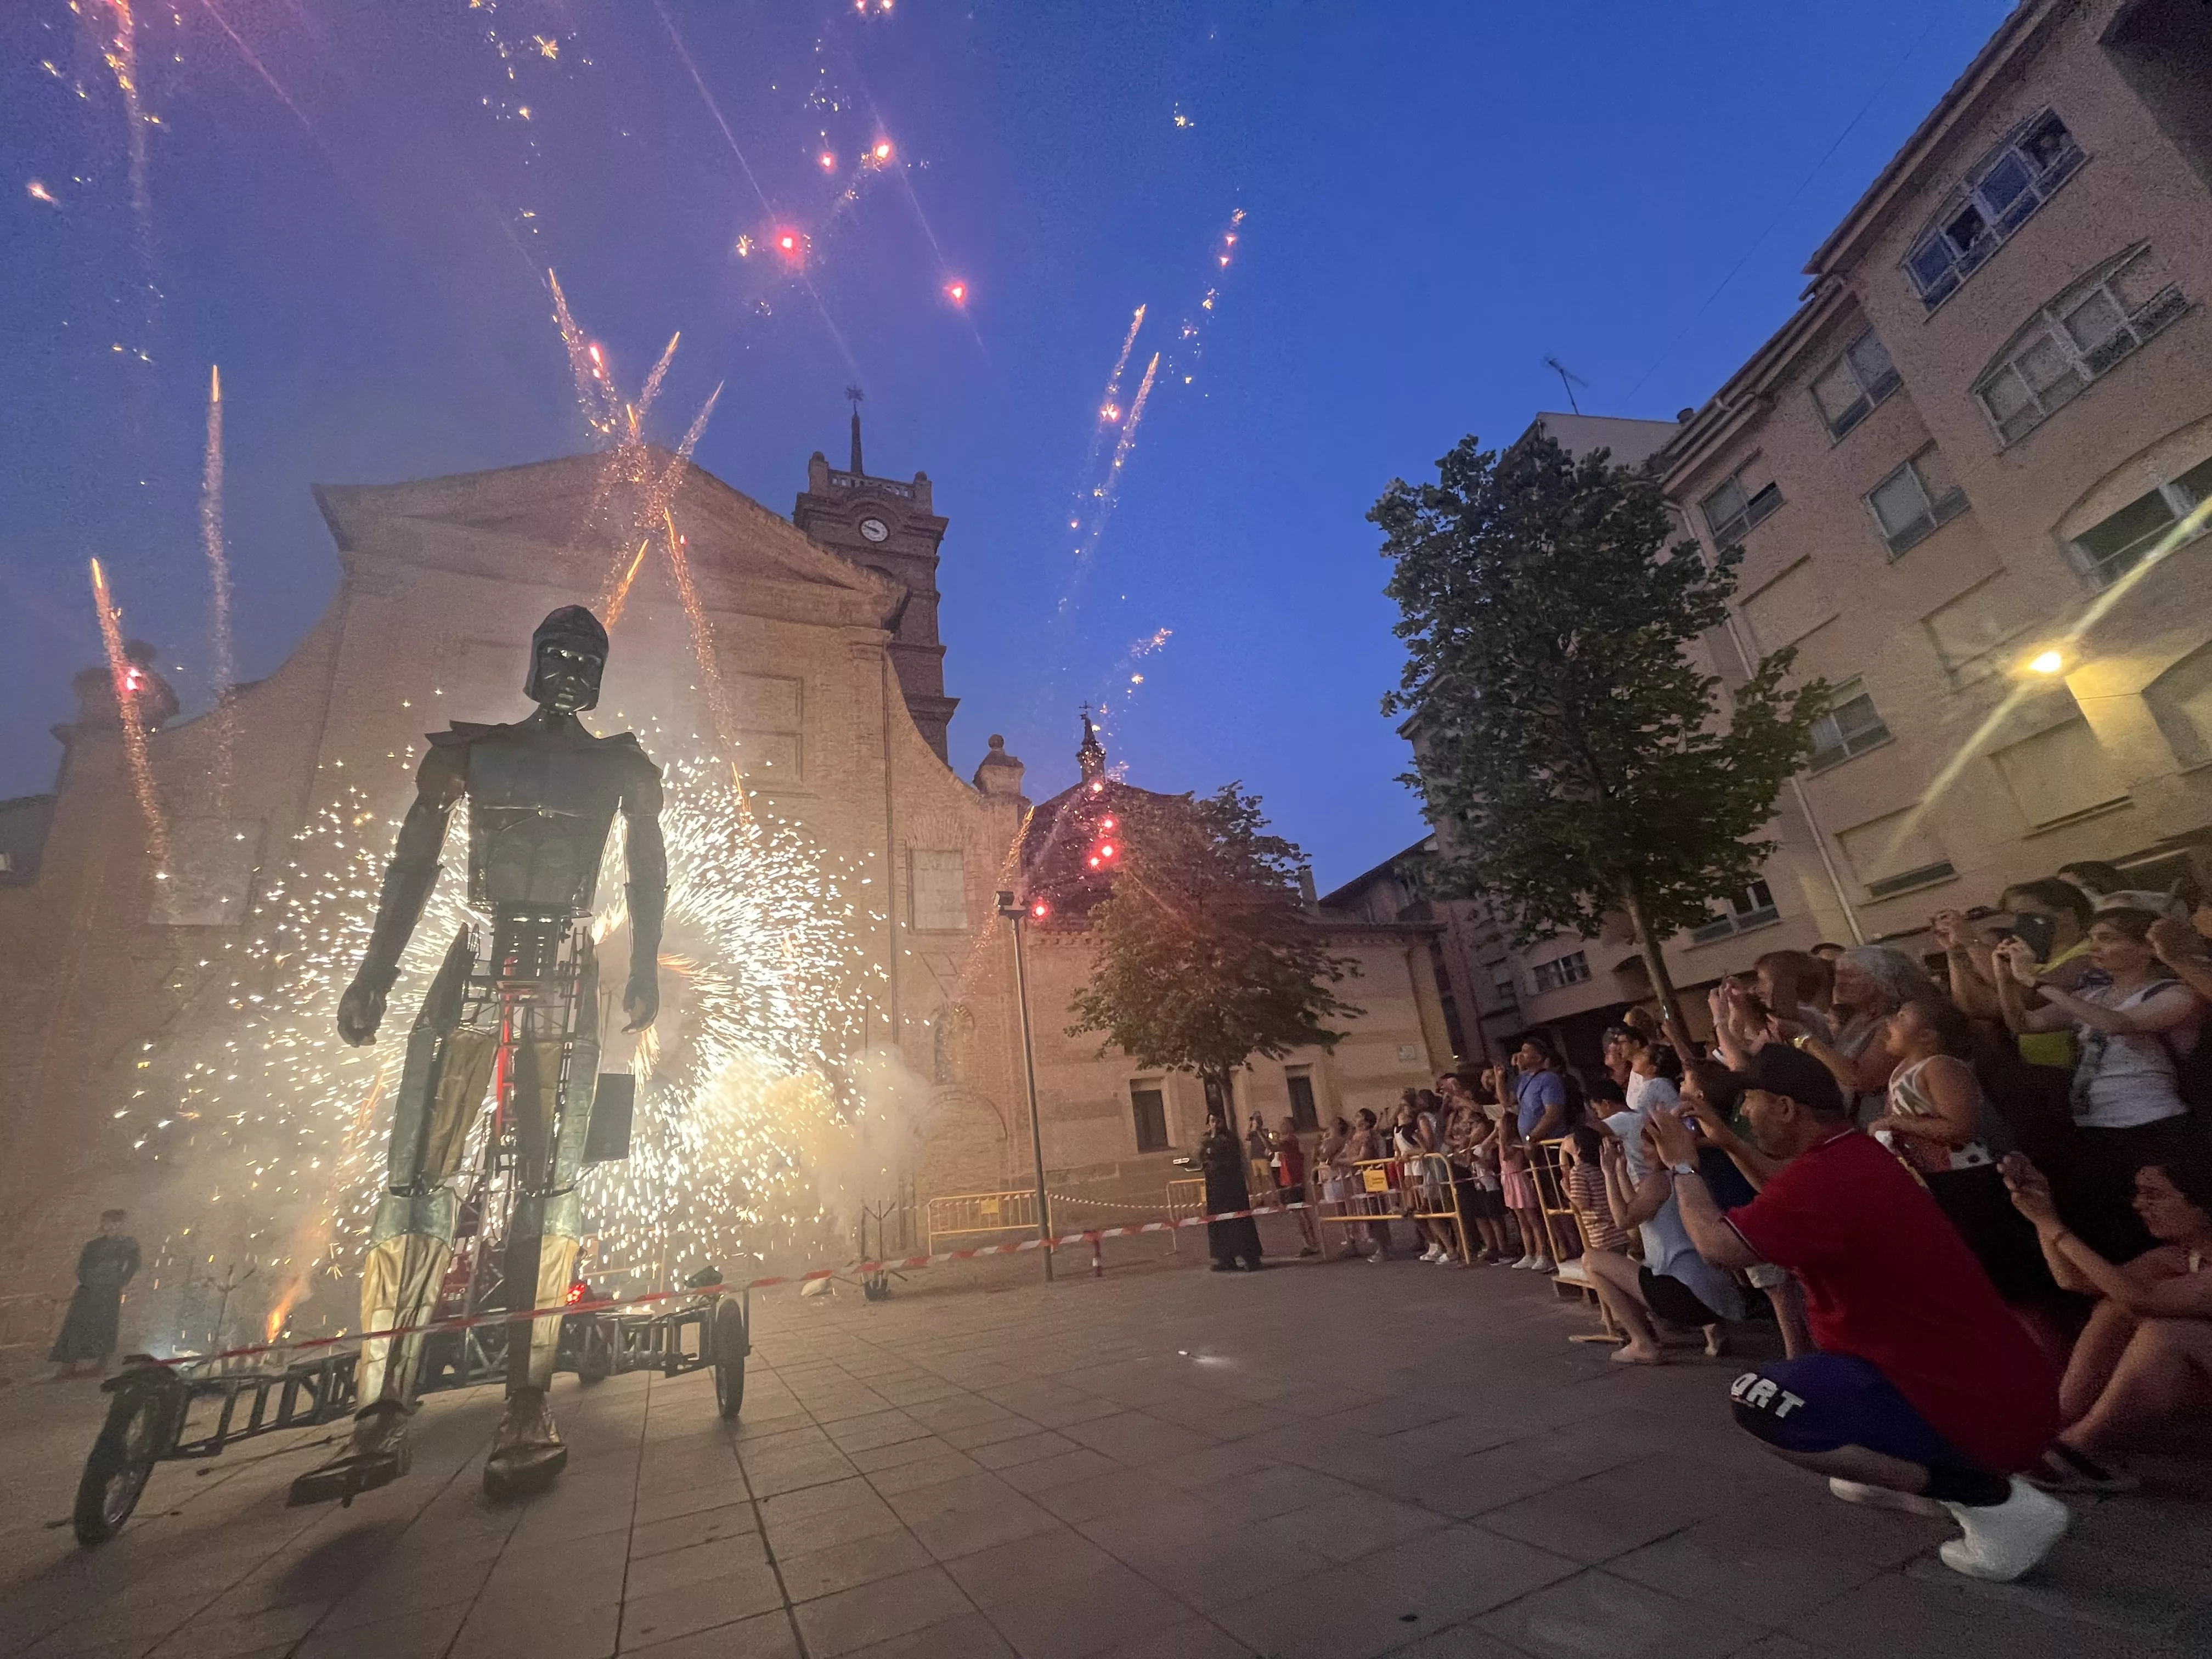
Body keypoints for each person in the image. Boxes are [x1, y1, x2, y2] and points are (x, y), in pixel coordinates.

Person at [1649, 1046, 2068, 1584]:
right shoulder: (1852, 1155)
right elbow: (1783, 1192)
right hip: (1982, 1384)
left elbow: (1718, 1246)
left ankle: (1991, 1500)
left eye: (1747, 1104)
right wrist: (1728, 1142)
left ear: (1785, 1107)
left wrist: (1682, 1164)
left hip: (1965, 1402)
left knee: (1761, 1401)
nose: (1742, 1116)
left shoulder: (1826, 1179)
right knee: (1819, 1415)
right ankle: (1911, 1472)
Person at [1994, 904, 2208, 1261]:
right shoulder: (2093, 995)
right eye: (2092, 938)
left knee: (2168, 1227)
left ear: (2146, 948)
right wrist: (2005, 979)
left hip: (2152, 1123)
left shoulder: (2174, 993)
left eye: (2108, 938)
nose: (2095, 947)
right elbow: (2025, 1024)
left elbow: (2117, 1024)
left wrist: (2036, 980)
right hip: (2096, 1124)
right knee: (2120, 1227)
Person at [2004, 1149, 2212, 1489]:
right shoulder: (2181, 1256)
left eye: (2154, 1195)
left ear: (2203, 1206)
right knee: (2113, 1308)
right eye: (2139, 1194)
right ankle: (2060, 1418)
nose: (2139, 1205)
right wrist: (2043, 1213)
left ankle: (2079, 1448)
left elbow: (2143, 1300)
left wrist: (2053, 1226)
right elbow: (2075, 1280)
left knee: (2165, 1334)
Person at [1867, 997, 2051, 1311]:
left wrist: (1894, 1123)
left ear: (1928, 1036)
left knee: (2008, 1280)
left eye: (1902, 1016)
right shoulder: (1901, 1071)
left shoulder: (1940, 1066)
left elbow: (1961, 1127)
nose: (1890, 1021)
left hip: (1970, 1179)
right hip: (1939, 1181)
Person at [1587, 1038, 1746, 1363]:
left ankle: (1642, 1343)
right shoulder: (1687, 1176)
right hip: (1717, 1294)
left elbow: (1624, 1219)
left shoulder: (1661, 1181)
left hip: (1686, 1295)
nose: (1642, 1153)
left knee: (1592, 1260)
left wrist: (1608, 1173)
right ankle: (1713, 1333)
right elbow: (1638, 1208)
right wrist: (1620, 1169)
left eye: (1647, 1147)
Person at [50, 1209, 140, 1379]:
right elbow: (83, 1266)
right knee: (77, 1325)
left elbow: (133, 1265)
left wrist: (119, 1281)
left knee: (105, 1326)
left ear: (120, 1224)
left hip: (109, 1292)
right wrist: (88, 1280)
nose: (110, 1226)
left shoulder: (128, 1245)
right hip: (88, 1291)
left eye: (115, 1223)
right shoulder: (93, 1245)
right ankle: (69, 1363)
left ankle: (102, 1363)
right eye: (107, 1222)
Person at [1199, 1111, 1263, 1272]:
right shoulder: (1206, 1141)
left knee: (1240, 1222)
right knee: (1219, 1223)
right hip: (1215, 1190)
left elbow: (1236, 1159)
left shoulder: (1231, 1139)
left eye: (1218, 1121)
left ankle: (1251, 1258)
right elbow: (1200, 1158)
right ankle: (1225, 1259)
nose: (1215, 1124)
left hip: (1233, 1188)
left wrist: (1249, 1181)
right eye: (1212, 1121)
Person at [1271, 1115, 1321, 1256]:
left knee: (1300, 1213)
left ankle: (1311, 1244)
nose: (1281, 1126)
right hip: (1288, 1181)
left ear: (1292, 1127)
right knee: (1297, 1213)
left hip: (1295, 1181)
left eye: (1284, 1124)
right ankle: (1309, 1243)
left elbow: (1274, 1147)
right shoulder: (1286, 1142)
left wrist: (1260, 1134)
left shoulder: (1290, 1140)